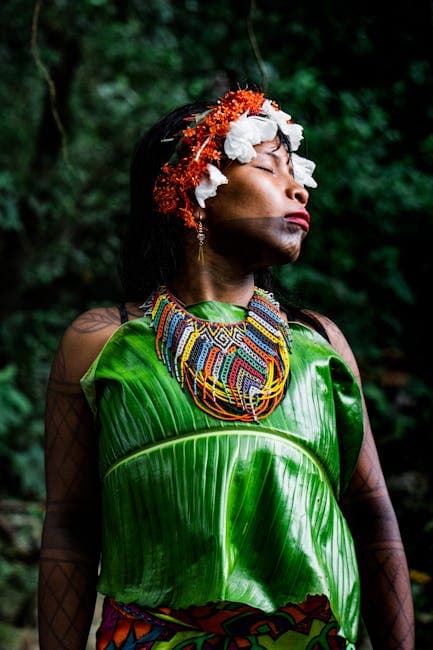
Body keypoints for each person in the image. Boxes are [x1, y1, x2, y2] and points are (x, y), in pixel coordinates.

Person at [38, 88, 415, 649]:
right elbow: (69, 528)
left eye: (297, 171)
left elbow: (374, 516)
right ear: (195, 186)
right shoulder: (99, 343)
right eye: (268, 165)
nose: (299, 187)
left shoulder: (318, 342)